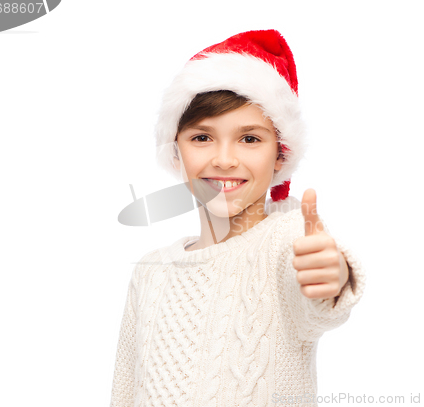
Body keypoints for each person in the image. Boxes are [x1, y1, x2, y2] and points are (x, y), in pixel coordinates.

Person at [110, 29, 366, 407]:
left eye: (249, 139)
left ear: (281, 155)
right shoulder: (151, 270)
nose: (224, 159)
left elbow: (317, 301)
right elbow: (124, 392)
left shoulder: (286, 240)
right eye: (202, 138)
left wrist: (333, 278)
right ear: (176, 152)